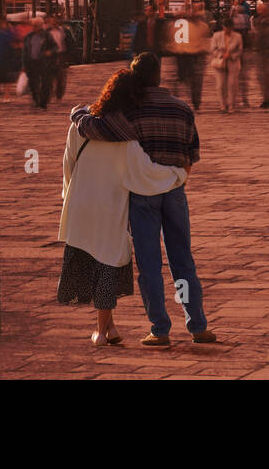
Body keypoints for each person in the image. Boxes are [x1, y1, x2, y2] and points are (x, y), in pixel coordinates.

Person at [71, 53, 215, 347]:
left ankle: (160, 328)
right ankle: (197, 325)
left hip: (142, 194)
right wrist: (176, 177)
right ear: (160, 75)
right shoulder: (183, 109)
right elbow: (193, 153)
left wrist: (77, 112)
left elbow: (91, 127)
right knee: (183, 261)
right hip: (174, 191)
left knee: (150, 264)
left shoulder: (130, 113)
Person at [209, 18, 242, 112]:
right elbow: (213, 49)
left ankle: (231, 105)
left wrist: (232, 55)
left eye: (229, 28)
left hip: (233, 62)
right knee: (220, 85)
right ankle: (222, 105)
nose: (227, 30)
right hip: (220, 62)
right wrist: (221, 55)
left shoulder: (238, 36)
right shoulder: (216, 36)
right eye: (225, 28)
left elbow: (240, 50)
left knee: (232, 85)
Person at [22, 17, 53, 110]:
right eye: (32, 25)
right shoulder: (29, 36)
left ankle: (43, 102)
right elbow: (24, 51)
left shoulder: (46, 35)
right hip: (31, 62)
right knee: (33, 83)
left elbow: (54, 47)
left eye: (35, 25)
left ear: (40, 26)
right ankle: (36, 100)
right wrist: (23, 64)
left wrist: (50, 52)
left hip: (44, 62)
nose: (33, 27)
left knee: (45, 83)